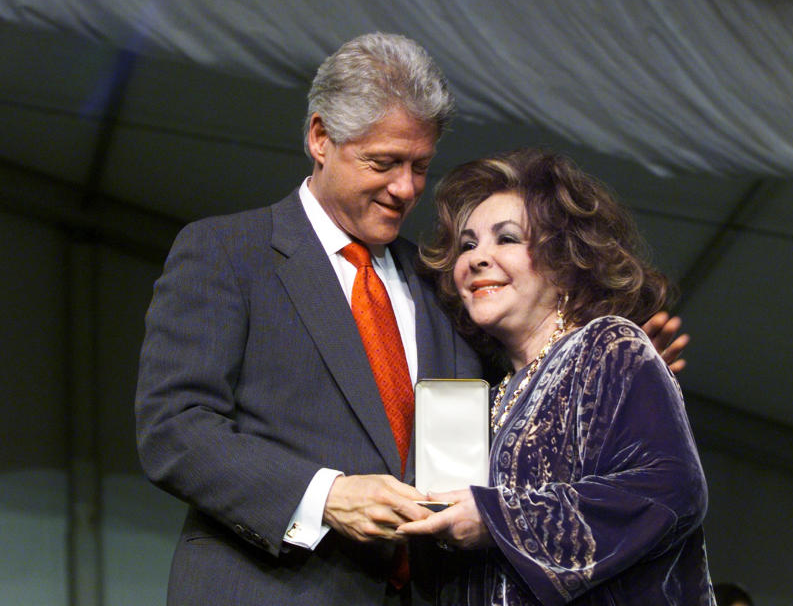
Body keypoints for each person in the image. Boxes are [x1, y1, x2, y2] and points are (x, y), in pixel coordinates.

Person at [135, 35, 688, 605]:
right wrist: (326, 496)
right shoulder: (228, 251)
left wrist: (598, 381)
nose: (406, 189)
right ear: (320, 138)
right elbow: (174, 427)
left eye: (420, 166)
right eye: (384, 163)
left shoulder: (442, 288)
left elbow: (504, 425)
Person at [400, 147, 714, 605]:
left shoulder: (608, 345)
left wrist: (498, 520)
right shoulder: (491, 396)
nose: (477, 258)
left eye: (505, 239)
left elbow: (672, 488)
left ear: (564, 259)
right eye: (467, 245)